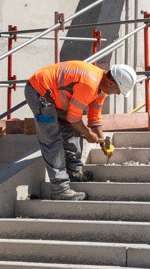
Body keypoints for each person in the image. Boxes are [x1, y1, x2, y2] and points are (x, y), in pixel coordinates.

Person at [25, 60, 137, 200]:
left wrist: (103, 142)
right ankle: (60, 189)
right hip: (40, 91)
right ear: (111, 83)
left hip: (54, 93)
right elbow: (73, 118)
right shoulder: (89, 85)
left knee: (73, 130)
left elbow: (94, 119)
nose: (118, 94)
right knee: (52, 139)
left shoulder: (101, 89)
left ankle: (74, 171)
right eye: (118, 91)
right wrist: (88, 134)